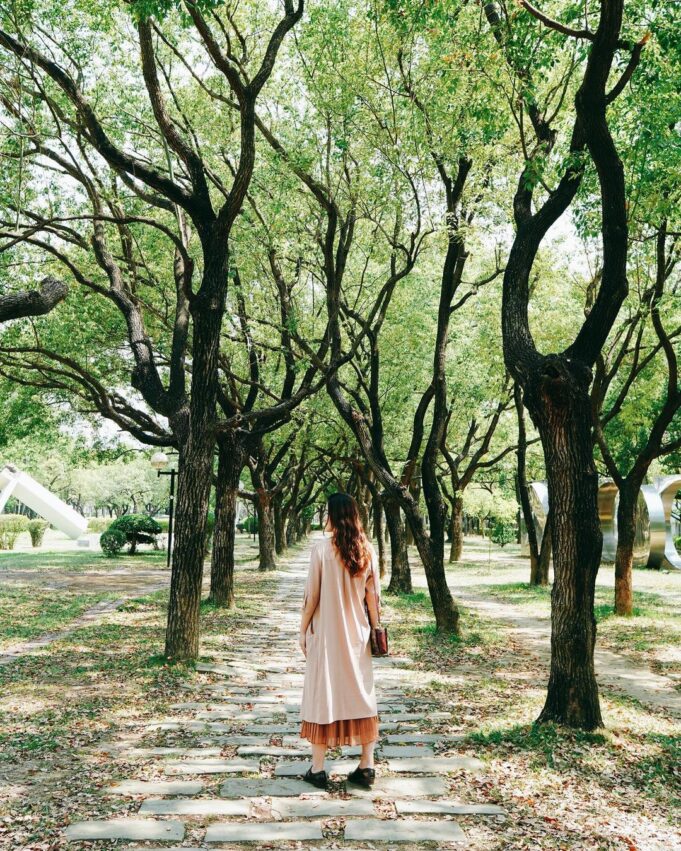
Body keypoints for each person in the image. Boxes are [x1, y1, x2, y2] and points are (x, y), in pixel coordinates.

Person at [298, 492, 381, 790]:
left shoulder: (321, 550)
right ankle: (367, 765)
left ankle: (318, 769)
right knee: (361, 694)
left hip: (327, 635)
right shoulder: (366, 550)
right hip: (357, 635)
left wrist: (302, 628)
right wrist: (375, 629)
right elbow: (373, 598)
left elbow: (313, 597)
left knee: (324, 694)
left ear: (333, 515)